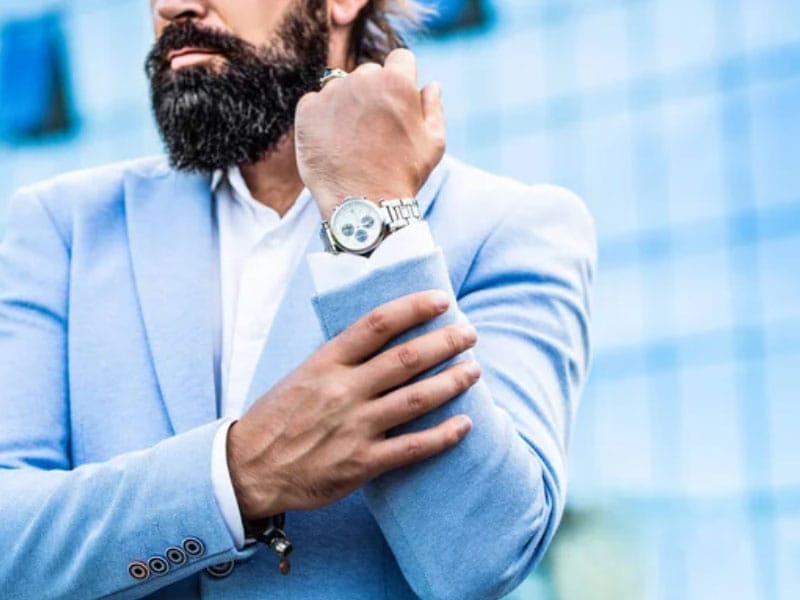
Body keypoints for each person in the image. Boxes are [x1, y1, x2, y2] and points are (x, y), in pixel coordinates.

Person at [0, 0, 596, 598]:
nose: (170, 6)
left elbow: (479, 559)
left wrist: (370, 214)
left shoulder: (513, 228)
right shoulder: (62, 228)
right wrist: (237, 477)